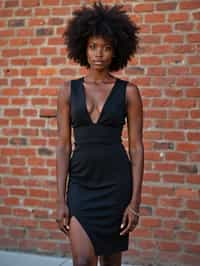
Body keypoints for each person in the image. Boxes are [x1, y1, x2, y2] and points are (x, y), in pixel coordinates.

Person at [56, 2, 144, 266]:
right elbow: (62, 147)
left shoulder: (129, 92)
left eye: (106, 47)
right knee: (83, 261)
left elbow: (137, 148)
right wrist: (60, 200)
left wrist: (135, 202)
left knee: (110, 264)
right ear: (83, 47)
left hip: (116, 186)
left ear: (116, 50)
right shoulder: (68, 91)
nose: (99, 54)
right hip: (81, 184)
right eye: (93, 46)